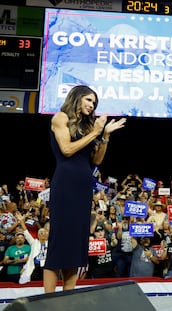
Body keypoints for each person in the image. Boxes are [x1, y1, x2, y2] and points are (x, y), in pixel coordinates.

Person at [43, 85, 126, 293]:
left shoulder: (90, 127)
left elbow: (96, 160)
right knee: (59, 243)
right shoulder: (60, 118)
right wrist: (96, 132)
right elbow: (67, 149)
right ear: (77, 98)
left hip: (83, 186)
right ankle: (48, 301)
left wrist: (105, 136)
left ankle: (67, 299)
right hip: (65, 184)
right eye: (88, 100)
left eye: (94, 103)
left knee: (75, 248)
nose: (92, 105)